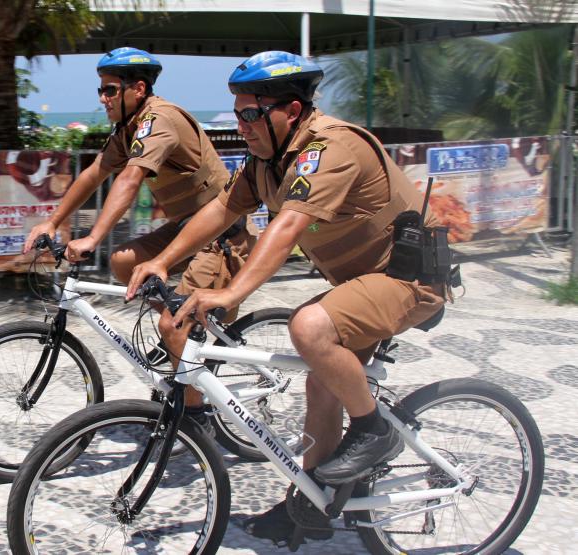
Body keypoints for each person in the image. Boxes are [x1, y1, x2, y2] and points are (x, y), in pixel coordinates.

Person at [125, 51, 449, 545]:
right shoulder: (267, 161)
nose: (241, 124)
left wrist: (231, 291)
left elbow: (289, 224)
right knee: (321, 386)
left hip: (408, 280)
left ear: (290, 111)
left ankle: (372, 431)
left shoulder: (330, 148)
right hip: (360, 284)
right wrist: (163, 260)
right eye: (236, 114)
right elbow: (221, 208)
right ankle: (312, 506)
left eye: (251, 113)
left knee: (308, 327)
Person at [23, 47, 256, 418]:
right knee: (123, 262)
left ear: (138, 89)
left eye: (110, 90)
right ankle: (180, 342)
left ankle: (194, 420)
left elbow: (130, 179)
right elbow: (94, 173)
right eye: (101, 90)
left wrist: (92, 238)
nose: (103, 98)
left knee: (172, 324)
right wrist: (52, 221)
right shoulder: (128, 128)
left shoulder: (158, 120)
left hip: (222, 237)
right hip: (185, 230)